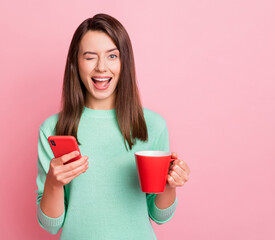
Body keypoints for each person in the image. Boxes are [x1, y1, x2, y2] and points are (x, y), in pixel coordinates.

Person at [35, 13, 191, 240]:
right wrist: (53, 183)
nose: (101, 67)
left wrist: (171, 184)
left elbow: (159, 214)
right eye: (90, 57)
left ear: (124, 62)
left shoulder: (153, 126)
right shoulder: (52, 129)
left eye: (112, 56)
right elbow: (50, 224)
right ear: (75, 63)